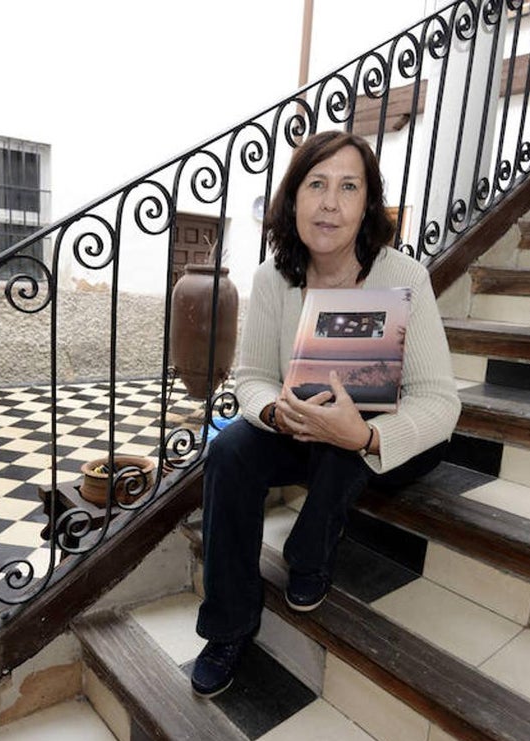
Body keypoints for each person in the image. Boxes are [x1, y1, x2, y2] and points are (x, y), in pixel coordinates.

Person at [191, 130, 461, 697]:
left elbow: (440, 401)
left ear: (367, 204)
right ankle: (229, 626)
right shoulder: (272, 277)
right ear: (293, 199)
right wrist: (273, 412)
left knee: (347, 438)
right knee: (228, 452)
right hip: (302, 425)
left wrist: (364, 435)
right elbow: (253, 377)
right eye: (316, 184)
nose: (331, 202)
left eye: (348, 187)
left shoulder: (404, 276)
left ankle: (310, 551)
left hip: (382, 431)